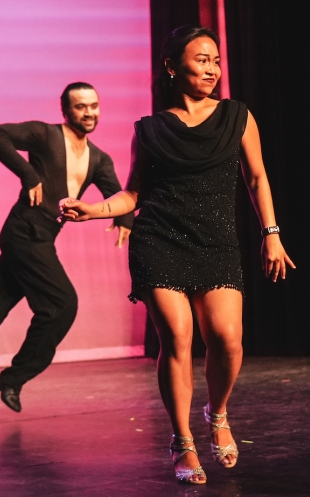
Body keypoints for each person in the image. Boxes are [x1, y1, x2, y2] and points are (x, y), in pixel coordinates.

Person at [58, 26, 295, 484]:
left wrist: (272, 233)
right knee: (178, 337)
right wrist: (91, 211)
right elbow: (133, 193)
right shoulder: (149, 130)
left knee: (227, 338)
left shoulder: (237, 117)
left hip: (216, 242)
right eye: (202, 59)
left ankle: (218, 412)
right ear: (172, 66)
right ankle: (182, 440)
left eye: (216, 60)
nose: (212, 69)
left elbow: (258, 178)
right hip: (159, 240)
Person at [0, 82, 133, 423]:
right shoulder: (45, 135)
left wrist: (125, 218)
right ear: (65, 110)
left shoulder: (99, 158)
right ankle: (13, 378)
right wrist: (28, 174)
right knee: (61, 304)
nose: (89, 113)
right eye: (80, 106)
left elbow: (117, 194)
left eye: (94, 106)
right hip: (24, 232)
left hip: (41, 235)